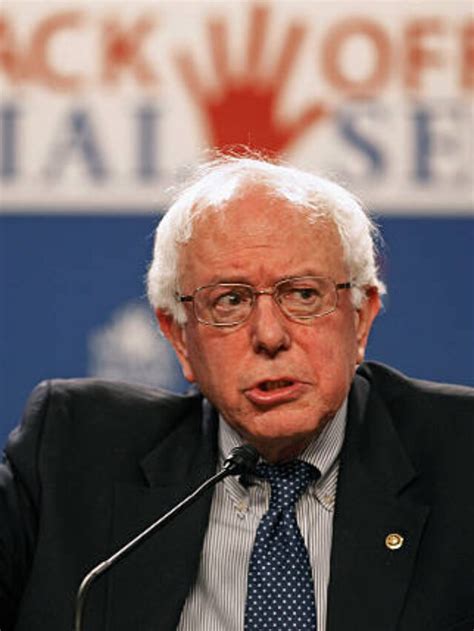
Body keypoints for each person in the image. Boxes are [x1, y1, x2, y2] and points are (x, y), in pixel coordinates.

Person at [1, 157, 473, 631]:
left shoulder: (462, 458)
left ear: (361, 317)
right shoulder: (70, 454)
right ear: (179, 337)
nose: (269, 335)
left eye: (303, 295)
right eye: (230, 300)